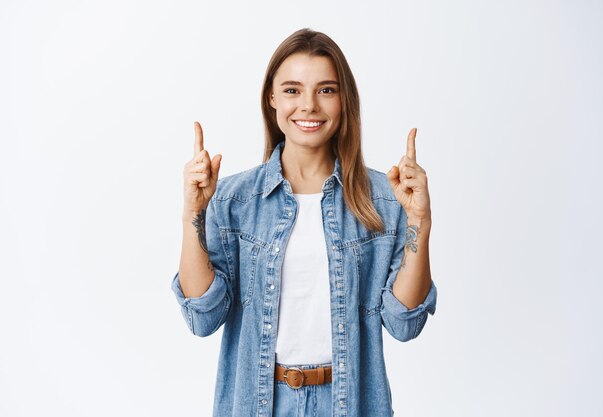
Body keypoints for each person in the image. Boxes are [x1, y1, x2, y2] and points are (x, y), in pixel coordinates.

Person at [171, 28, 437, 417]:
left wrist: (420, 222)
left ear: (344, 100)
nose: (309, 105)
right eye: (293, 90)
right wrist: (193, 212)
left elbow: (404, 324)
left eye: (326, 90)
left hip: (349, 404)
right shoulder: (233, 200)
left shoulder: (384, 199)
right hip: (259, 403)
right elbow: (202, 316)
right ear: (272, 98)